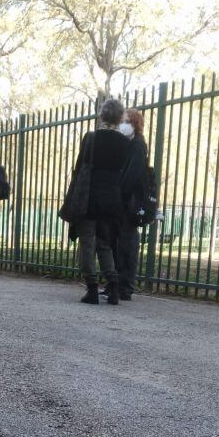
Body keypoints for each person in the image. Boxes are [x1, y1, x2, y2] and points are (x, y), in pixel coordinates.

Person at [70, 98, 133, 305]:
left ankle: (92, 288)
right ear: (120, 118)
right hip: (111, 198)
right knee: (105, 243)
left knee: (87, 242)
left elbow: (80, 168)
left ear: (101, 115)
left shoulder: (91, 138)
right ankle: (113, 287)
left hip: (90, 196)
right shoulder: (125, 143)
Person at [113, 108, 149, 301]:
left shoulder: (137, 145)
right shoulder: (129, 144)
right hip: (123, 200)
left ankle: (125, 286)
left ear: (134, 124)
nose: (123, 125)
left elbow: (132, 175)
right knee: (120, 243)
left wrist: (121, 192)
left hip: (130, 202)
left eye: (126, 121)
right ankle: (117, 284)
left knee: (127, 244)